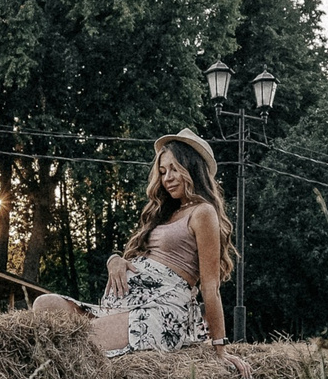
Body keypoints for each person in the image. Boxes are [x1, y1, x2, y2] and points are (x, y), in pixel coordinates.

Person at [34, 130, 242, 366]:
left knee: (78, 340)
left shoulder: (203, 212)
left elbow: (211, 286)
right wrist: (114, 259)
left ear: (192, 169)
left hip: (161, 312)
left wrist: (220, 349)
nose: (167, 178)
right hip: (124, 306)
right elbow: (137, 257)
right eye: (163, 172)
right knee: (45, 305)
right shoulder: (164, 213)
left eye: (175, 169)